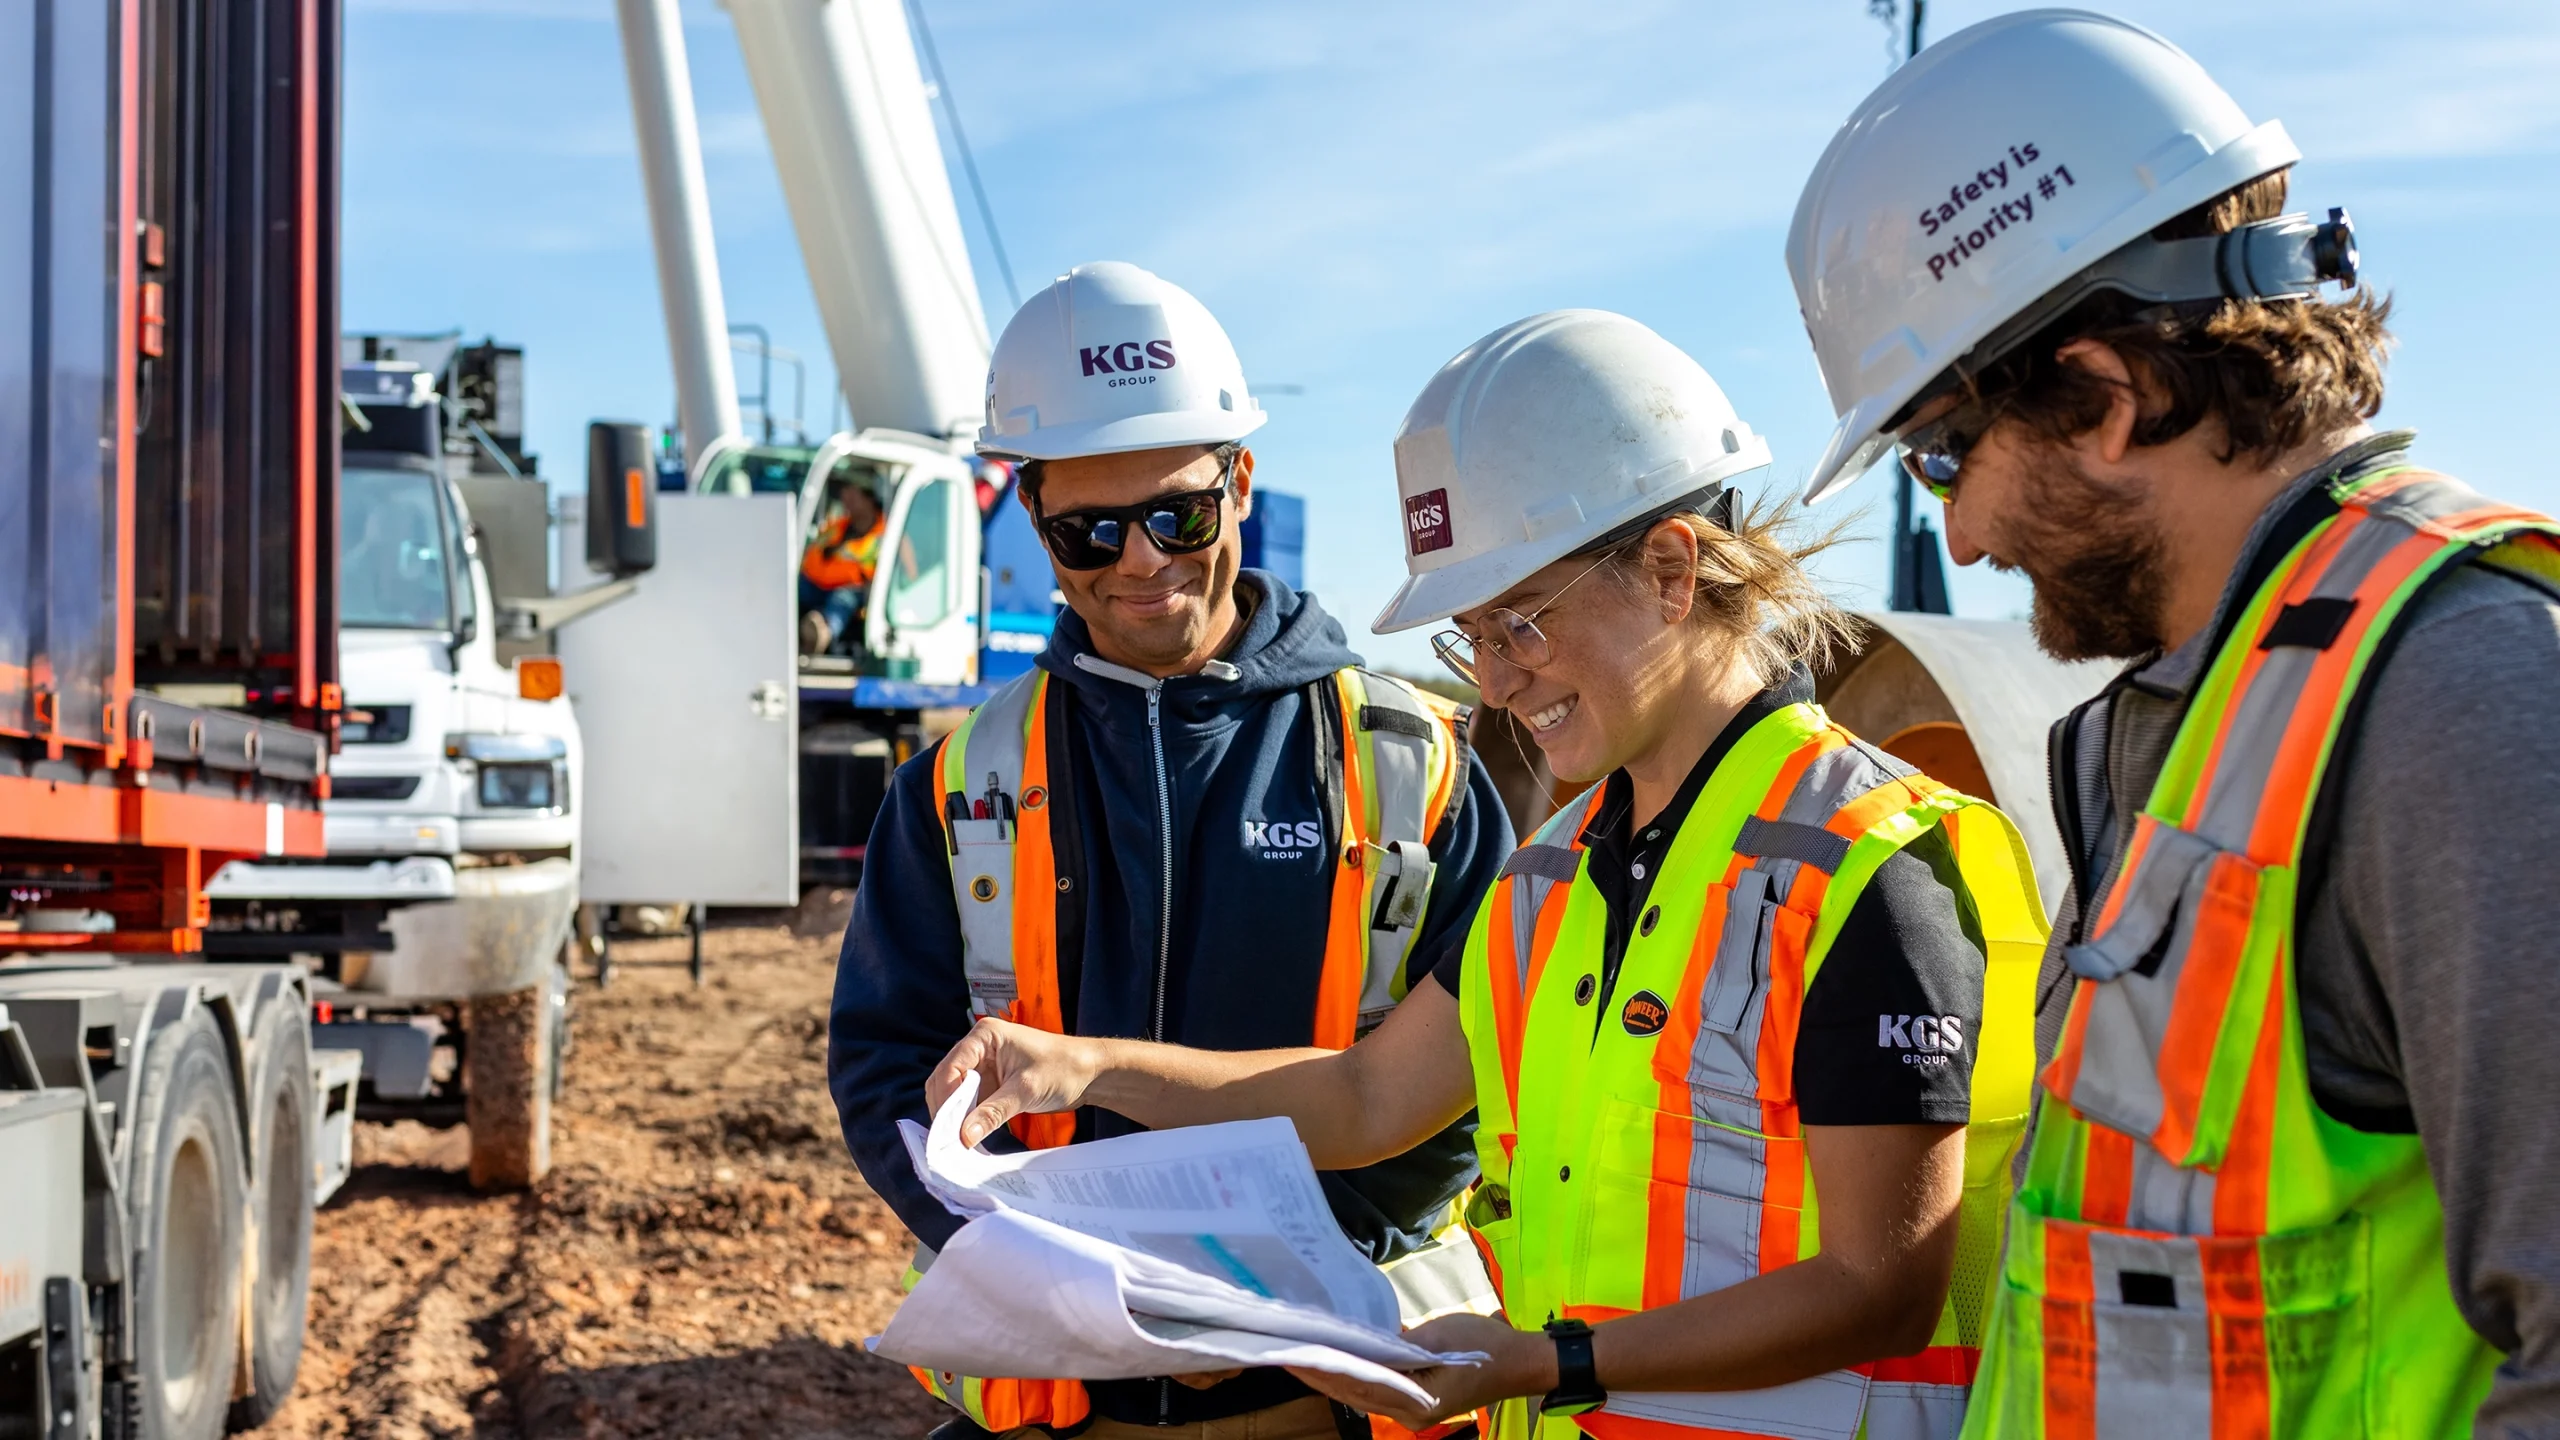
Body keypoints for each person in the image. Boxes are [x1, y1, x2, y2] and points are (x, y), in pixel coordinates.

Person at [926, 311, 2052, 1440]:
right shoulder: (1552, 876)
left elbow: (1882, 1284)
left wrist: (1550, 1363)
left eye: (1520, 625)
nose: (1500, 681)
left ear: (1670, 569)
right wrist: (1081, 1067)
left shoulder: (1867, 866)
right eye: (1474, 637)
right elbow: (1366, 1099)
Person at [1786, 11, 2560, 1435]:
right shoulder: (2160, 726)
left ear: (2102, 396)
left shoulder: (2460, 695)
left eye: (1946, 455)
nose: (1954, 540)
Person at [831, 261, 1517, 1440]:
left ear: (1239, 483)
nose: (1140, 561)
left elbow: (1471, 1087)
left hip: (1320, 1397)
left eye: (1176, 516)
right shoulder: (960, 788)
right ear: (1033, 519)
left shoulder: (1413, 765)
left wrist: (1256, 1303)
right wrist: (1062, 1282)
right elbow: (887, 1065)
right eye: (1089, 532)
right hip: (1058, 1399)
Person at [800, 471, 887, 655]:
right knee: (793, 589)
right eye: (844, 492)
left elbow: (908, 575)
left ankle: (822, 633)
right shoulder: (837, 526)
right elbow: (813, 554)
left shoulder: (888, 534)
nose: (845, 498)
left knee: (842, 600)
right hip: (818, 584)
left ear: (868, 497)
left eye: (852, 492)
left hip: (858, 591)